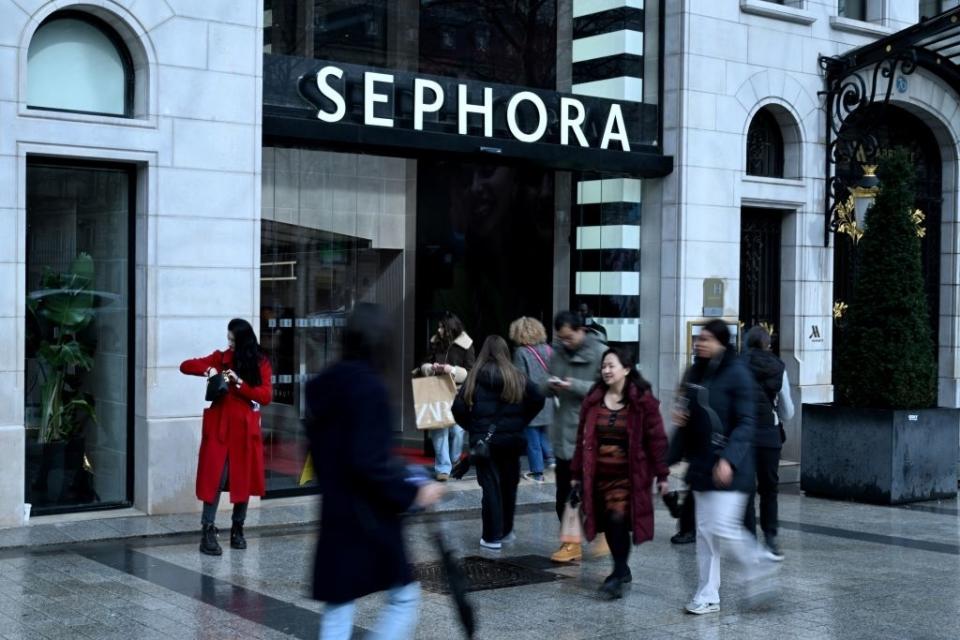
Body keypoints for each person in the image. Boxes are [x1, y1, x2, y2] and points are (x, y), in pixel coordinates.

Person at [305, 304, 445, 640]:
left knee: (339, 604)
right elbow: (369, 461)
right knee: (403, 596)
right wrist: (414, 492)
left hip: (336, 511)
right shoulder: (370, 389)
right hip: (370, 515)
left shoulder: (321, 385)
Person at [672, 319, 777, 615]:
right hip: (702, 464)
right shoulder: (695, 372)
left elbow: (746, 421)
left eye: (705, 339)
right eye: (698, 339)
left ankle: (759, 561)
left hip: (732, 466)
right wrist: (666, 461)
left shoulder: (737, 373)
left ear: (720, 342)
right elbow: (686, 420)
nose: (699, 343)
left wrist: (729, 458)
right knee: (706, 533)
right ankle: (708, 594)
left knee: (722, 527)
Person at [570, 347, 670, 599]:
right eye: (604, 366)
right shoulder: (593, 399)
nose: (606, 370)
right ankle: (622, 569)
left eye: (611, 365)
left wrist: (663, 475)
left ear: (626, 369)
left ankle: (616, 573)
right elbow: (582, 440)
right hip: (598, 476)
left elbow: (657, 439)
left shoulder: (641, 401)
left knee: (616, 518)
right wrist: (576, 475)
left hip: (628, 477)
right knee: (609, 524)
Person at [180, 318, 273, 556]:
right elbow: (186, 365)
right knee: (215, 479)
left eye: (233, 339)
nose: (229, 343)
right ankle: (207, 531)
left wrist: (239, 383)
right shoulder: (220, 358)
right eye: (228, 338)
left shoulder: (260, 363)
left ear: (243, 340)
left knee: (242, 479)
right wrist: (209, 370)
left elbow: (264, 396)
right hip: (220, 429)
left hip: (244, 431)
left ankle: (237, 528)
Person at [453, 336, 545, 549]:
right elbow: (538, 397)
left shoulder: (474, 376)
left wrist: (474, 427)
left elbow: (457, 408)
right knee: (509, 485)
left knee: (491, 488)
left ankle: (492, 536)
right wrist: (521, 421)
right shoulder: (516, 376)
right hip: (512, 441)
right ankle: (506, 531)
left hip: (485, 444)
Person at [543, 310, 607, 563]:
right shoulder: (557, 353)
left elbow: (611, 391)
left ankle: (604, 533)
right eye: (562, 338)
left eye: (570, 337)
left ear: (582, 330)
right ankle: (571, 543)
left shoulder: (601, 354)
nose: (566, 342)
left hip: (591, 436)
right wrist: (551, 384)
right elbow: (542, 385)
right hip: (563, 436)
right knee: (564, 493)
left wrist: (575, 385)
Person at [742, 326, 794, 561]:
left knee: (746, 489)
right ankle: (770, 537)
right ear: (767, 345)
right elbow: (788, 411)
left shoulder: (737, 365)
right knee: (769, 489)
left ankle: (749, 540)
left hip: (743, 434)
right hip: (769, 434)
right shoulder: (779, 368)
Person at [420, 312, 475, 481]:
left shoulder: (466, 345)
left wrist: (451, 370)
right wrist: (431, 367)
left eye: (442, 326)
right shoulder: (435, 341)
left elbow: (471, 372)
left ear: (451, 328)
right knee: (439, 431)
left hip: (458, 393)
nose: (439, 329)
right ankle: (443, 467)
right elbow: (424, 363)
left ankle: (454, 459)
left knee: (458, 431)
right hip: (437, 389)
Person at [508, 316, 556, 483]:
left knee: (532, 439)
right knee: (543, 433)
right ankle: (552, 461)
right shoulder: (549, 349)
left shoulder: (521, 352)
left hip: (530, 401)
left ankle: (537, 473)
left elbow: (520, 380)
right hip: (548, 399)